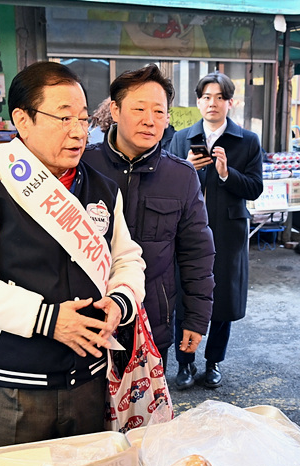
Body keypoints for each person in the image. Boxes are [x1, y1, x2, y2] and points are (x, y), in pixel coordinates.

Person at [0, 62, 146, 449]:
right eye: (63, 117)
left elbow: (127, 259)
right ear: (22, 120)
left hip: (90, 380)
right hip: (13, 391)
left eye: (83, 118)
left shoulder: (102, 187)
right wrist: (47, 319)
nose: (80, 131)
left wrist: (121, 302)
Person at [82, 64, 215, 378]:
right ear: (114, 110)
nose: (150, 120)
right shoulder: (83, 165)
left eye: (159, 111)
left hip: (151, 320)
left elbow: (197, 253)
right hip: (88, 319)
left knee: (146, 421)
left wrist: (196, 319)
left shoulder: (181, 176)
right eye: (139, 108)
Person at [169, 71, 264, 389]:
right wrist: (184, 168)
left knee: (221, 300)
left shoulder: (247, 141)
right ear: (198, 102)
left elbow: (254, 189)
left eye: (219, 97)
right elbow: (165, 184)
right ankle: (185, 363)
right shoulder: (181, 137)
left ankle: (213, 363)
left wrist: (226, 173)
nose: (212, 103)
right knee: (185, 298)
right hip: (187, 231)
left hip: (228, 231)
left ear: (230, 103)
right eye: (206, 97)